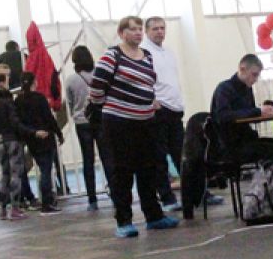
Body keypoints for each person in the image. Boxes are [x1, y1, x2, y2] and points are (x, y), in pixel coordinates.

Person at [88, 16, 179, 237]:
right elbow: (97, 87)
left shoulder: (147, 56)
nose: (138, 32)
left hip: (146, 122)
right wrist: (109, 106)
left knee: (148, 170)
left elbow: (148, 84)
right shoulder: (112, 56)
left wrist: (150, 100)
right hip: (118, 123)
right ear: (122, 33)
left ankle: (154, 216)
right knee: (122, 173)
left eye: (140, 29)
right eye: (133, 29)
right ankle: (124, 221)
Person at [211, 55, 273, 213]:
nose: (255, 79)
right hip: (231, 145)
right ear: (242, 69)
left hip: (247, 139)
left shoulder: (247, 89)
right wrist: (258, 111)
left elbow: (250, 114)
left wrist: (264, 112)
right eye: (254, 75)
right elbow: (223, 117)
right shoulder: (224, 89)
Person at [142, 16, 185, 212]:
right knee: (159, 158)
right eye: (155, 29)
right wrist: (151, 99)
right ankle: (167, 198)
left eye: (162, 28)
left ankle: (196, 192)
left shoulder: (169, 52)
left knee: (182, 155)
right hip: (159, 110)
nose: (160, 31)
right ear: (147, 31)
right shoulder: (144, 53)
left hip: (175, 109)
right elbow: (144, 80)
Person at [0, 73, 40, 221]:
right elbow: (15, 123)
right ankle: (15, 208)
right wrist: (32, 132)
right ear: (2, 84)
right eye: (7, 81)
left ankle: (3, 210)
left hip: (1, 142)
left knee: (4, 175)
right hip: (13, 141)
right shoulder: (7, 102)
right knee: (16, 174)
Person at [66, 46, 113, 211]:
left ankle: (92, 200)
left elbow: (69, 103)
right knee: (107, 158)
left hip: (82, 122)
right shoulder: (99, 75)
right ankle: (115, 194)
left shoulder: (71, 80)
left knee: (88, 160)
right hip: (100, 119)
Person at [16, 71, 64, 214]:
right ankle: (47, 203)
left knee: (43, 169)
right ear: (33, 82)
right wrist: (59, 133)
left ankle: (46, 201)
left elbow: (20, 122)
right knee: (46, 171)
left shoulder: (18, 101)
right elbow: (49, 118)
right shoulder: (40, 98)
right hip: (45, 138)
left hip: (32, 140)